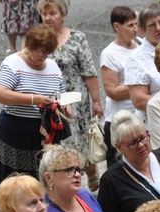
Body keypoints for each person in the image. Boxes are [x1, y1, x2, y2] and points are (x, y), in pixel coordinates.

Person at [39, 0, 103, 191]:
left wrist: (97, 101)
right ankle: (62, 185)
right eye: (44, 14)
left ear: (63, 15)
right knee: (58, 145)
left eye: (52, 13)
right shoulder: (38, 39)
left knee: (80, 142)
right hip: (50, 103)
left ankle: (89, 171)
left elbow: (89, 72)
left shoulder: (77, 38)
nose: (48, 18)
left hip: (76, 102)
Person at [0, 23, 64, 183]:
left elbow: (61, 93)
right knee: (16, 178)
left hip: (45, 132)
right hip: (17, 130)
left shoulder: (53, 66)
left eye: (47, 53)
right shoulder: (13, 63)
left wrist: (65, 109)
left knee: (43, 175)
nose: (42, 57)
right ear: (29, 45)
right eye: (39, 52)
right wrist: (33, 99)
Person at [38, 144, 117, 212]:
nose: (78, 174)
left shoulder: (85, 196)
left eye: (78, 170)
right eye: (69, 170)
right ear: (48, 178)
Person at [100, 6, 140, 168]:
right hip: (118, 120)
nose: (135, 29)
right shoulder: (109, 53)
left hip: (139, 117)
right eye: (130, 25)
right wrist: (139, 87)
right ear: (117, 27)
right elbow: (112, 91)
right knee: (117, 165)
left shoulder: (140, 45)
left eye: (136, 24)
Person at [124, 4, 160, 119]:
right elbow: (139, 100)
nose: (159, 28)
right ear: (143, 30)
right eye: (152, 25)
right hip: (155, 122)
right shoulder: (136, 59)